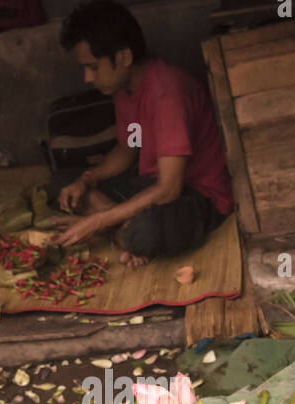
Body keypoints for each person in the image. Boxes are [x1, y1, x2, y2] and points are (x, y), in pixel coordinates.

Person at [53, 0, 234, 267]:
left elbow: (170, 189)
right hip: (152, 183)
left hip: (197, 196)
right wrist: (86, 179)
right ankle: (122, 228)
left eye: (93, 67)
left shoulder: (166, 94)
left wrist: (99, 220)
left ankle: (122, 229)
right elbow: (128, 149)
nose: (87, 78)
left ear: (124, 58)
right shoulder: (123, 88)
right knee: (62, 183)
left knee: (146, 232)